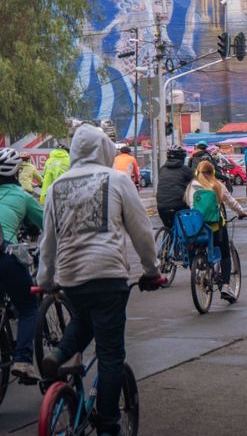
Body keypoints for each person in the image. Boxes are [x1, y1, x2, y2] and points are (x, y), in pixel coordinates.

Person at [36, 125, 164, 436]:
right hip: (108, 277)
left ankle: (58, 356)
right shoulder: (118, 180)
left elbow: (48, 242)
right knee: (110, 355)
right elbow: (142, 233)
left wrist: (46, 280)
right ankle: (108, 424)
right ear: (103, 149)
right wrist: (151, 270)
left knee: (83, 319)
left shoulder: (56, 189)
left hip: (71, 280)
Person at [0, 148, 44, 382]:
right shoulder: (22, 196)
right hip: (5, 254)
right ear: (17, 172)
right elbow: (48, 223)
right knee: (28, 308)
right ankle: (23, 361)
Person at [185, 160, 247, 301]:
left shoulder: (191, 187)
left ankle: (197, 272)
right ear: (213, 172)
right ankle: (226, 286)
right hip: (214, 229)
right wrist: (243, 212)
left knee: (193, 247)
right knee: (225, 253)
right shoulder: (217, 185)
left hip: (196, 229)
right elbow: (231, 202)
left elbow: (190, 206)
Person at [155, 145, 194, 230]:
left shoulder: (162, 169)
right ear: (182, 158)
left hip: (161, 205)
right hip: (180, 204)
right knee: (187, 227)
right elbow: (195, 183)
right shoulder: (186, 170)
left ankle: (168, 239)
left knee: (169, 228)